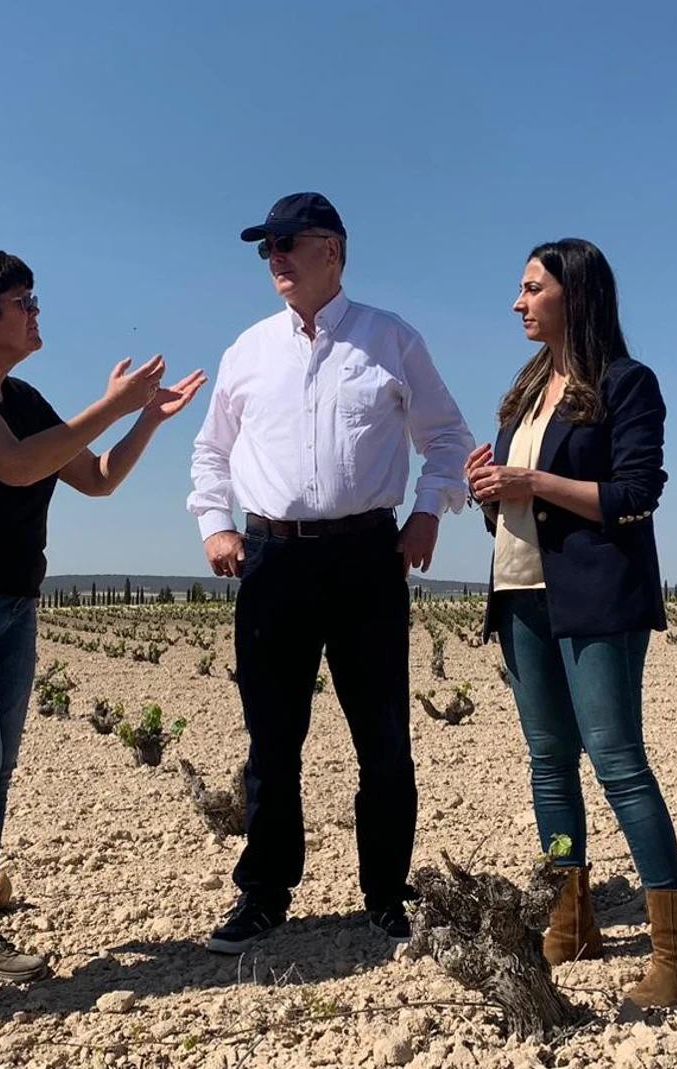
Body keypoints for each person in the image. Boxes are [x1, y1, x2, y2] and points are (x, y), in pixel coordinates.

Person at [0, 247, 205, 1013]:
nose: (36, 313)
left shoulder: (20, 395)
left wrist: (145, 422)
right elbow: (19, 467)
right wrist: (116, 405)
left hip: (11, 601)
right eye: (23, 301)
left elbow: (93, 478)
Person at [187, 192, 475, 954]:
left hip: (365, 559)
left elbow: (447, 437)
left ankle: (386, 894)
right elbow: (210, 451)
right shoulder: (247, 350)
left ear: (332, 252)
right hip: (271, 560)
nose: (274, 258)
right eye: (265, 248)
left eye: (287, 243)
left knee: (382, 738)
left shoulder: (391, 339)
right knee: (271, 738)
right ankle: (265, 892)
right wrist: (214, 522)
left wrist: (427, 512)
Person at [465, 238, 677, 1008]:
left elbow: (635, 494)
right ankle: (572, 916)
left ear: (575, 295)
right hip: (521, 593)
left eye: (532, 287)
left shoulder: (627, 384)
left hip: (598, 599)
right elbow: (520, 506)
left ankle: (676, 946)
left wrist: (530, 477)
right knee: (548, 763)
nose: (518, 301)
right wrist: (492, 493)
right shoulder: (523, 393)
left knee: (618, 761)